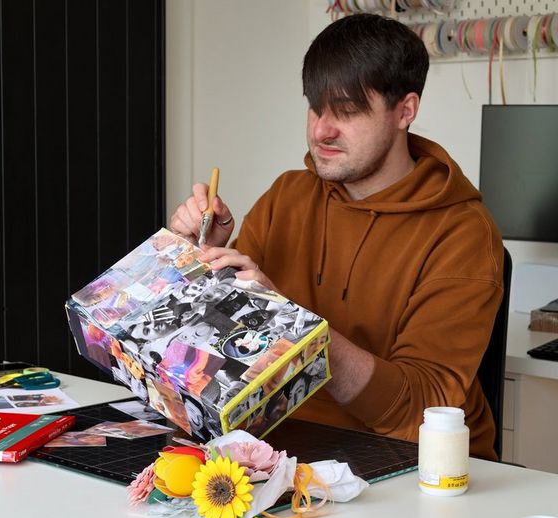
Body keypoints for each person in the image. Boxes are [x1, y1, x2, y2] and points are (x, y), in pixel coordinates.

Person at [169, 14, 503, 460]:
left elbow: (422, 409)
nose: (321, 130)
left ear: (405, 110)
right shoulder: (289, 194)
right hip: (281, 448)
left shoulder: (463, 233)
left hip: (409, 461)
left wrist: (292, 328)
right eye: (315, 106)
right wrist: (188, 257)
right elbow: (218, 359)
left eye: (346, 111)